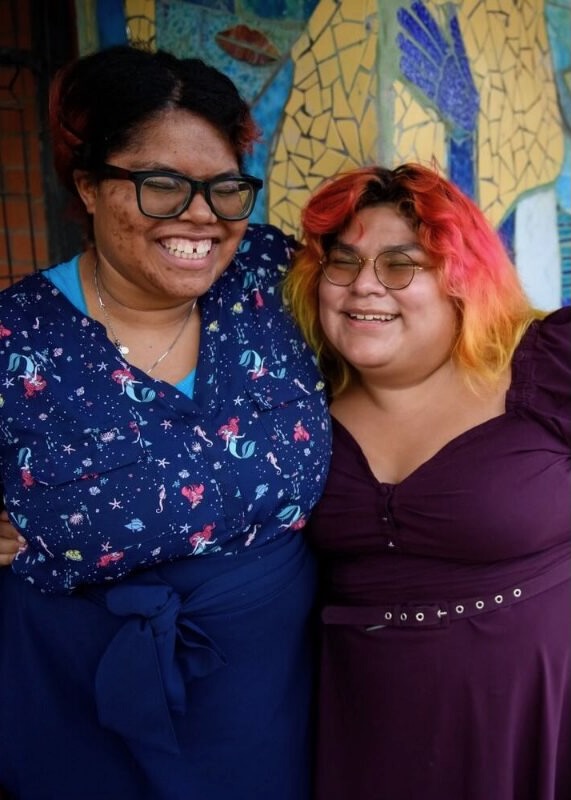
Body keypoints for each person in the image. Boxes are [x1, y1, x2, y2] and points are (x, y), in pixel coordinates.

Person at [0, 45, 331, 800]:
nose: (201, 215)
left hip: (272, 695)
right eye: (161, 185)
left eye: (224, 188)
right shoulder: (16, 335)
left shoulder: (272, 278)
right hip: (76, 702)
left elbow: (410, 348)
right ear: (88, 185)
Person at [283, 164, 571, 800]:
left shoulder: (548, 366)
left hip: (535, 718)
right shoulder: (293, 402)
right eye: (343, 262)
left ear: (460, 279)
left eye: (400, 265)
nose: (364, 286)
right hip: (367, 730)